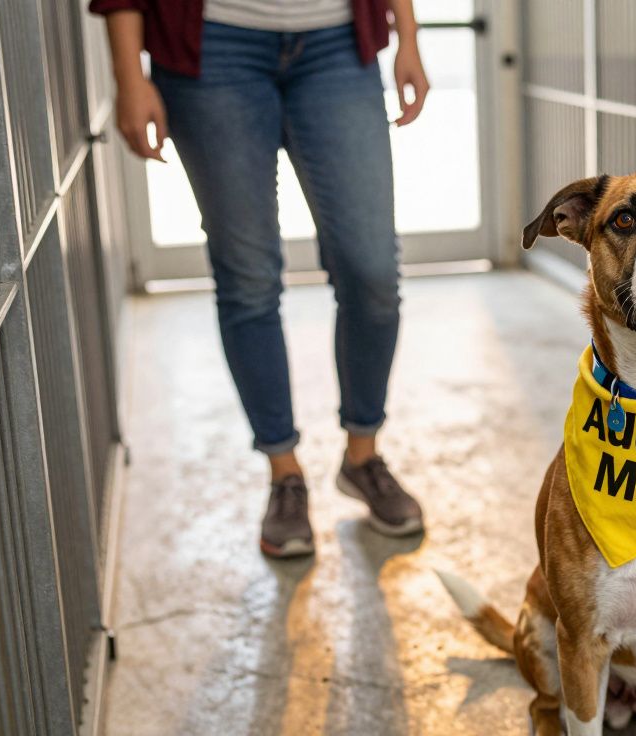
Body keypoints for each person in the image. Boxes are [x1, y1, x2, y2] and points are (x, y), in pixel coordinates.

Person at [90, 0, 431, 557]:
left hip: (337, 44)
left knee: (371, 272)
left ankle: (362, 455)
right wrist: (129, 75)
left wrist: (408, 35)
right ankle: (283, 472)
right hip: (211, 50)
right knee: (247, 279)